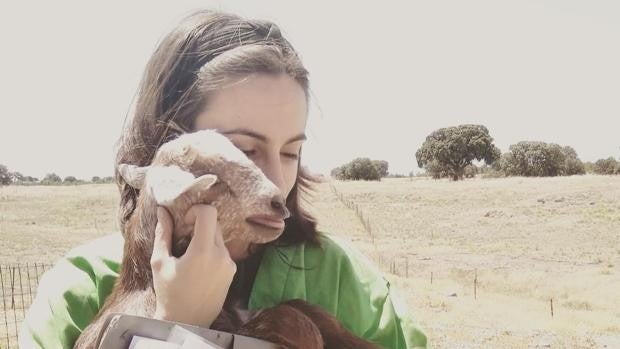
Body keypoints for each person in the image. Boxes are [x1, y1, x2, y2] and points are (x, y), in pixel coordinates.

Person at [20, 10, 427, 349]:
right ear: (171, 143)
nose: (273, 180)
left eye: (290, 152)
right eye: (244, 151)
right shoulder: (81, 290)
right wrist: (176, 323)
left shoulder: (341, 278)